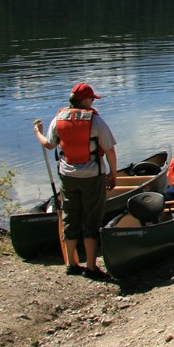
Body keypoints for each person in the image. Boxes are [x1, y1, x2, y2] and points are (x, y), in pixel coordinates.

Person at [33, 83, 117, 280]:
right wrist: (113, 174)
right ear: (84, 100)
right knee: (91, 219)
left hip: (67, 177)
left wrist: (38, 132)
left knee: (70, 217)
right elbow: (110, 150)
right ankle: (91, 267)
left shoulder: (58, 119)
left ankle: (71, 264)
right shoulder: (95, 121)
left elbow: (49, 144)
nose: (93, 102)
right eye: (91, 99)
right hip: (92, 177)